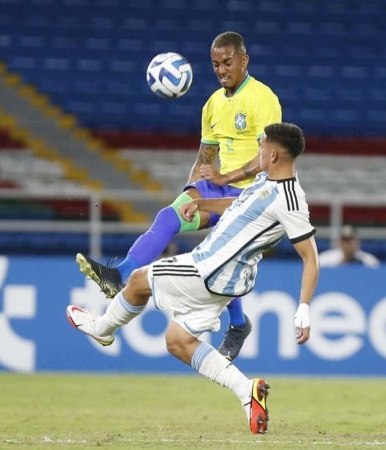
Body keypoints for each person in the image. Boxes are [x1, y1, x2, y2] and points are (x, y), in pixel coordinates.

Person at [67, 123, 319, 434]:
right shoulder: (267, 182)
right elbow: (238, 205)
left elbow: (310, 257)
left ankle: (101, 329)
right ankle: (247, 392)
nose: (257, 153)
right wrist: (200, 203)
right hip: (225, 280)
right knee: (178, 342)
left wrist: (303, 308)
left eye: (260, 147)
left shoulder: (291, 200)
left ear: (273, 154)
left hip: (208, 269)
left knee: (136, 280)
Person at [77, 31, 282, 361]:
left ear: (244, 60)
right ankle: (121, 274)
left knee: (218, 256)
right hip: (217, 187)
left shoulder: (263, 99)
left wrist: (224, 177)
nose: (221, 69)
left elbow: (268, 158)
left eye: (228, 62)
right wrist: (189, 193)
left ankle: (239, 323)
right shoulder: (213, 105)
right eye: (215, 64)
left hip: (252, 193)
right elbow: (204, 158)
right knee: (167, 217)